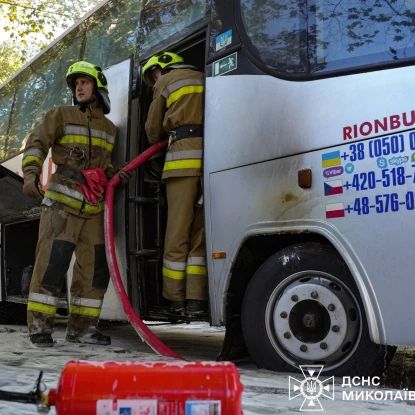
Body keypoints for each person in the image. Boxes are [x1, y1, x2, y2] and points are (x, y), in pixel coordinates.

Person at [22, 61, 131, 347]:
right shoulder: (61, 114)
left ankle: (83, 330)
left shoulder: (109, 129)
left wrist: (116, 174)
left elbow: (103, 166)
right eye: (76, 84)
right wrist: (31, 173)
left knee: (94, 271)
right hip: (61, 206)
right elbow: (36, 143)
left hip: (94, 209)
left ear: (98, 87)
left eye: (84, 82)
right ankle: (40, 328)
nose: (78, 88)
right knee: (52, 265)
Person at [143, 52, 207, 316]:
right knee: (201, 232)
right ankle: (196, 299)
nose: (155, 79)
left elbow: (153, 131)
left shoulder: (166, 81)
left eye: (154, 73)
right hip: (211, 161)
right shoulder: (206, 76)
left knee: (177, 232)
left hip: (181, 164)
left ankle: (176, 300)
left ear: (164, 67)